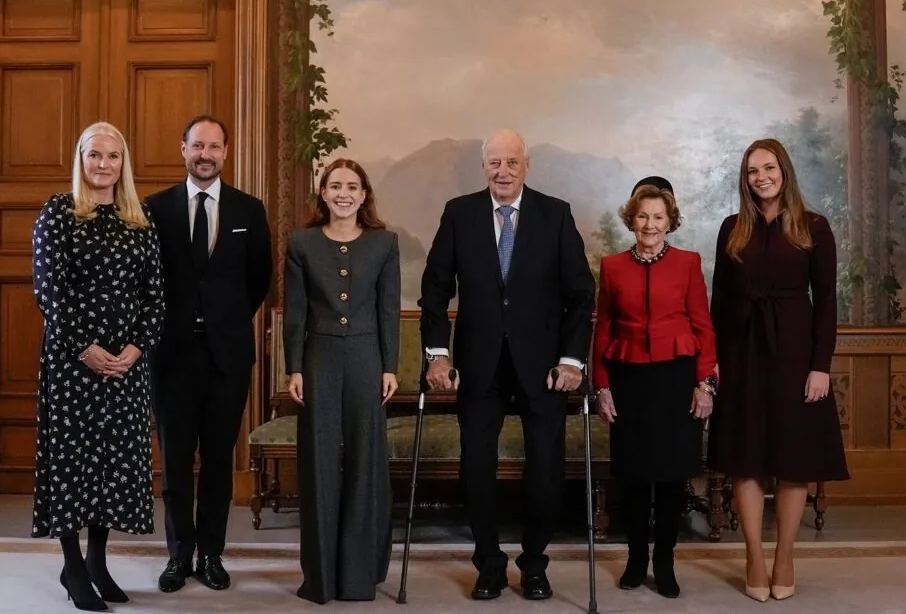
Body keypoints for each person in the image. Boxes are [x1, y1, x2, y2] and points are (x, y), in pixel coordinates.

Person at [419, 128, 595, 601]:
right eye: (494, 163)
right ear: (484, 167)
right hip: (479, 365)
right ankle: (489, 565)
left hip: (544, 366)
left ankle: (535, 565)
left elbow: (581, 294)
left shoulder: (555, 215)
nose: (503, 171)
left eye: (511, 163)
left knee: (545, 468)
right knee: (476, 466)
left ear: (526, 165)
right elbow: (435, 289)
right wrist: (437, 355)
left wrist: (572, 360)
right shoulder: (459, 214)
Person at [706, 138, 848, 603]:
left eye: (768, 168)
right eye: (752, 171)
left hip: (795, 355)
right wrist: (714, 363)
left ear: (784, 171)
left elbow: (827, 303)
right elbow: (718, 304)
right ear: (744, 180)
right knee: (745, 458)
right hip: (741, 354)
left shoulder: (814, 227)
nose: (761, 177)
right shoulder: (732, 228)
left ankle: (785, 554)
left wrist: (820, 367)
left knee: (794, 460)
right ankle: (753, 554)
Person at [31, 121, 164, 612]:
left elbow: (155, 295)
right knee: (72, 462)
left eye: (112, 156)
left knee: (114, 463)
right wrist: (84, 346)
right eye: (94, 155)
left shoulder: (140, 219)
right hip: (72, 362)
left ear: (123, 163)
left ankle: (97, 561)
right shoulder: (59, 213)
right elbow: (50, 291)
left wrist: (135, 348)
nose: (103, 164)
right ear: (80, 160)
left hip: (125, 366)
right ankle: (71, 565)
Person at [145, 114, 273, 593]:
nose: (205, 154)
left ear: (226, 152)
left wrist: (224, 318)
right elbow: (146, 281)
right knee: (176, 460)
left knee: (219, 460)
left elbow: (259, 280)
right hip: (171, 355)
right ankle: (178, 556)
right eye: (197, 145)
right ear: (183, 149)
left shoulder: (248, 210)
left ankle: (212, 556)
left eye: (214, 146)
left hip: (227, 357)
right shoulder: (154, 209)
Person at [282, 158, 400, 604]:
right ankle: (322, 578)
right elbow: (296, 313)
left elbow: (389, 311)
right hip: (318, 360)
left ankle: (359, 575)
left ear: (364, 194)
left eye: (353, 186)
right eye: (335, 186)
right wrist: (294, 367)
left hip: (368, 360)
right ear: (323, 194)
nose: (344, 193)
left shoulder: (384, 243)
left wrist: (390, 366)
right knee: (318, 465)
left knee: (367, 465)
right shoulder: (301, 243)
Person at [592, 177, 716, 599]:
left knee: (668, 480)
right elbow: (602, 329)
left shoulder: (687, 263)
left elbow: (702, 325)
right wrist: (602, 387)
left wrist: (705, 384)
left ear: (670, 221)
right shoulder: (612, 267)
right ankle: (634, 559)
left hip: (676, 380)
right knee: (632, 478)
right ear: (632, 219)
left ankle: (664, 562)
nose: (650, 224)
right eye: (643, 215)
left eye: (658, 216)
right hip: (628, 381)